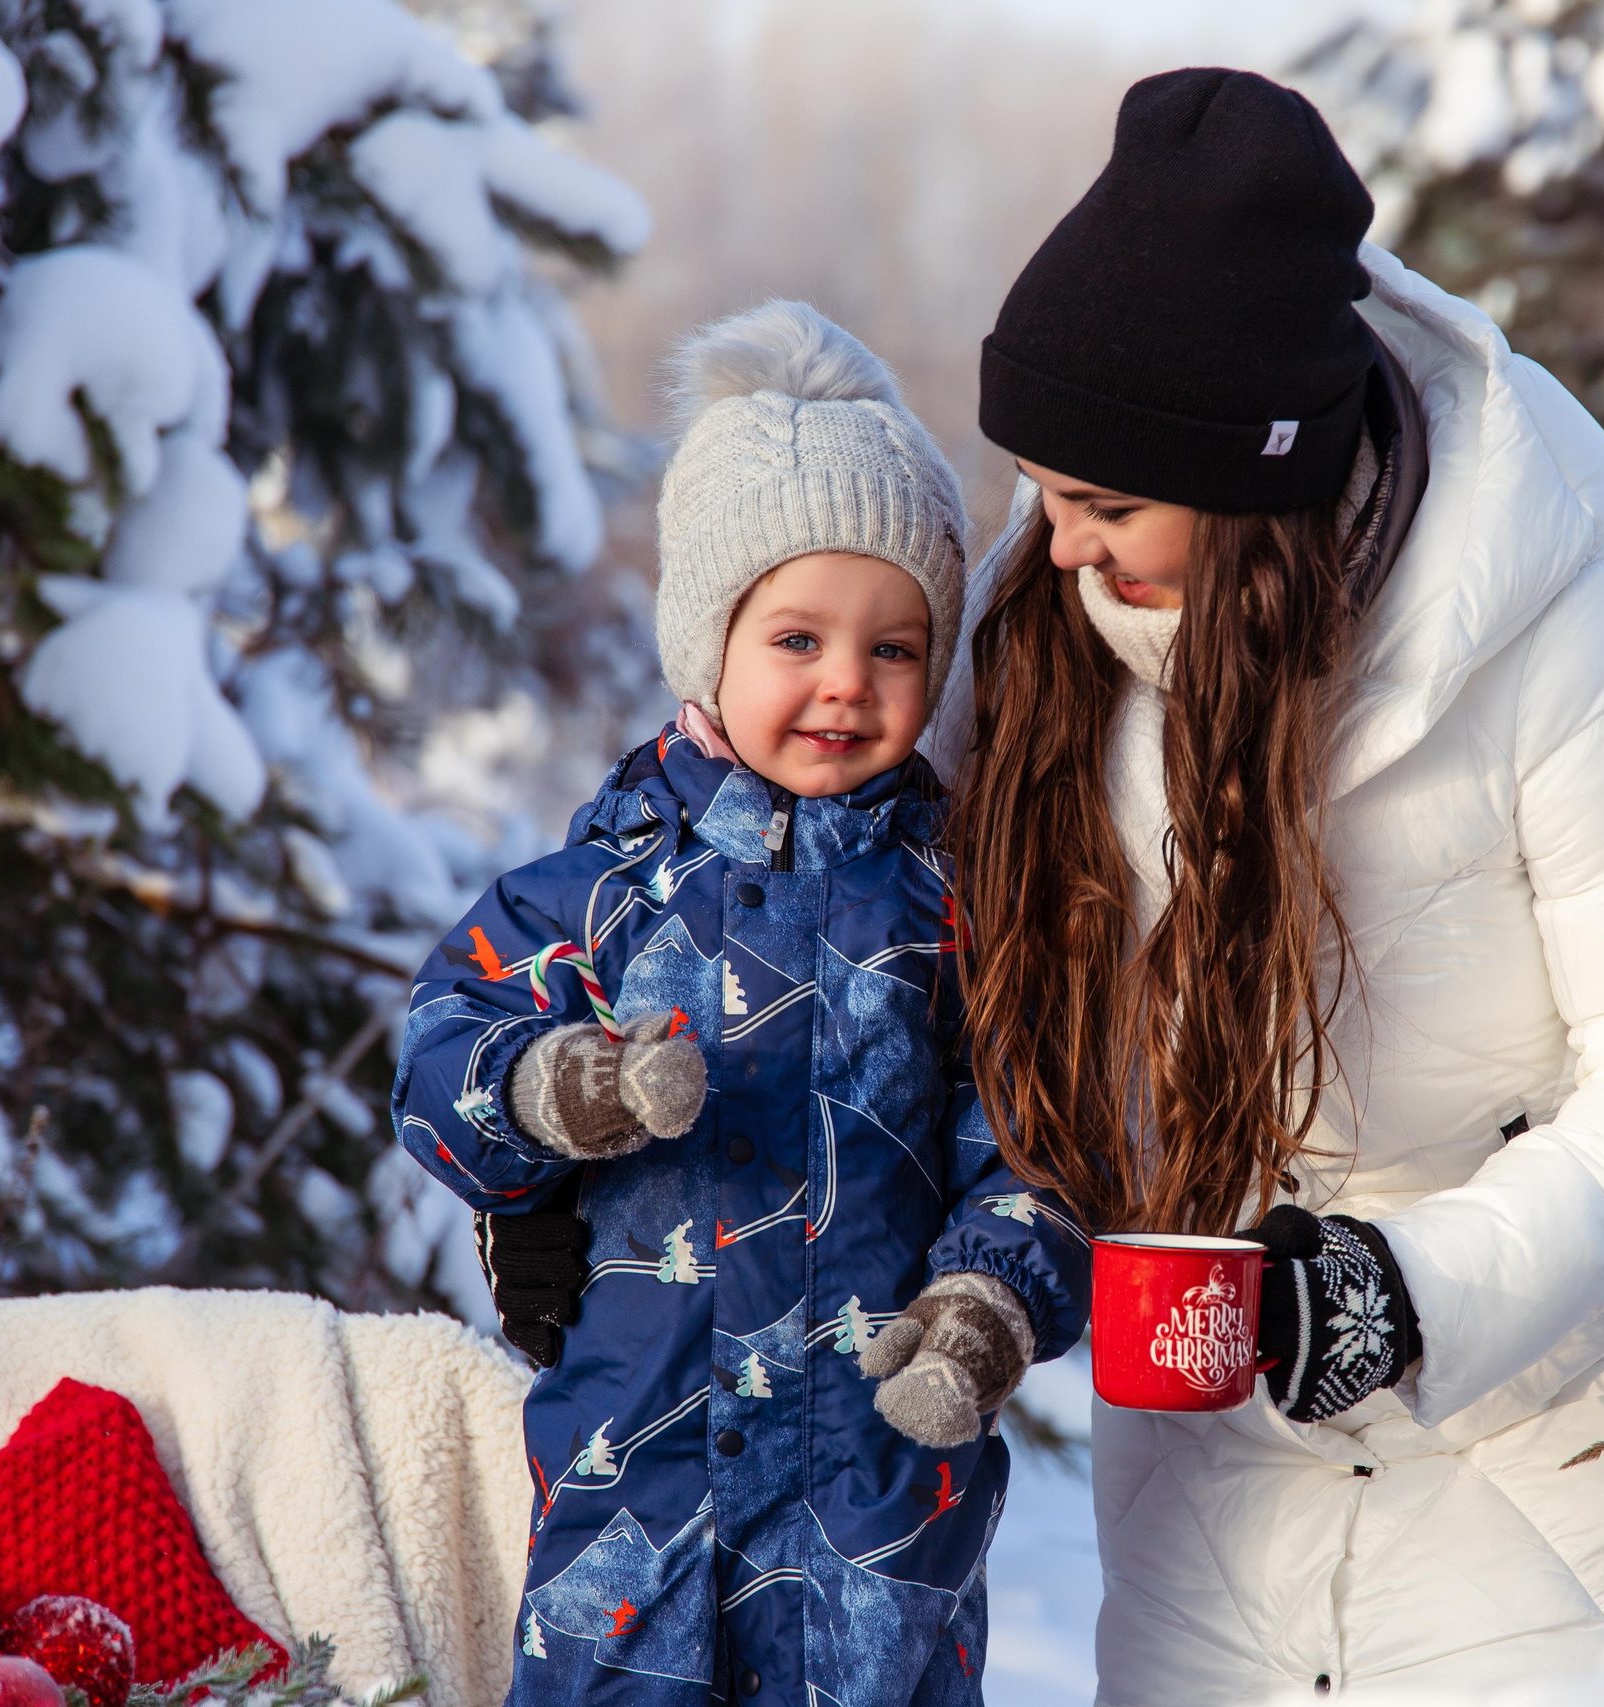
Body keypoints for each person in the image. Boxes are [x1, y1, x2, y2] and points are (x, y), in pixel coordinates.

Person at [936, 68, 1604, 1699]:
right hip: (1212, 1478)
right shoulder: (1045, 664)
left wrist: (1406, 1292)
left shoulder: (1566, 643)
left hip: (1556, 1460)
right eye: (1041, 494)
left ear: (1253, 483)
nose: (1053, 548)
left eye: (1106, 504)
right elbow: (855, 949)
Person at [395, 301, 1093, 1707]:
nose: (847, 682)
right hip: (634, 1508)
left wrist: (987, 1306)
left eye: (898, 649)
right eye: (798, 638)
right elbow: (438, 1066)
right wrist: (558, 1088)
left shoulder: (960, 905)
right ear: (705, 639)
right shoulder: (600, 891)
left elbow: (1036, 1140)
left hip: (877, 1510)